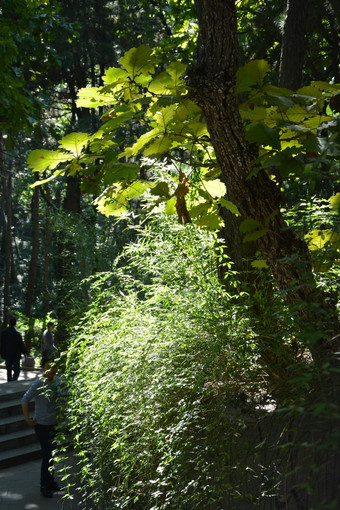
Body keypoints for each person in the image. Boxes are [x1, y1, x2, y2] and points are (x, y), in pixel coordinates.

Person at [21, 356, 63, 498]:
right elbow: (25, 399)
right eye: (49, 366)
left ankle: (50, 482)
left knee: (52, 455)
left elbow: (58, 399)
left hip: (53, 423)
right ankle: (44, 485)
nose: (52, 370)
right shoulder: (39, 382)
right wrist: (28, 419)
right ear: (44, 367)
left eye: (54, 367)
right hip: (42, 425)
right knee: (48, 455)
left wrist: (60, 412)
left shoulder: (56, 381)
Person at [0, 317, 28, 382]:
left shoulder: (4, 332)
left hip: (7, 353)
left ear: (8, 323)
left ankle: (9, 381)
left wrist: (1, 353)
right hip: (16, 354)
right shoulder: (17, 333)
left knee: (8, 369)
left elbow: (2, 343)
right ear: (15, 324)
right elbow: (21, 343)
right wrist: (24, 352)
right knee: (17, 369)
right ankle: (14, 380)